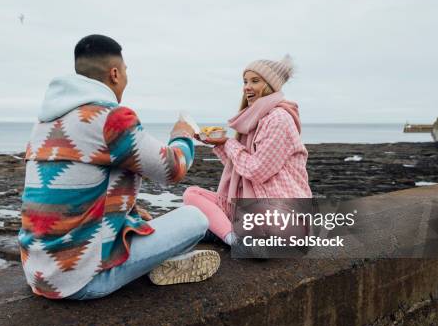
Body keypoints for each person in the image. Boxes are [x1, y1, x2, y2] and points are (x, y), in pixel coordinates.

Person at [19, 34, 220, 300]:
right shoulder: (109, 118)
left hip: (38, 273)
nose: (125, 78)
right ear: (115, 73)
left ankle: (151, 261)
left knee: (141, 220)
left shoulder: (44, 123)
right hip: (81, 281)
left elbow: (78, 184)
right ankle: (151, 266)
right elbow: (172, 169)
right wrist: (182, 135)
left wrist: (126, 210)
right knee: (195, 218)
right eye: (125, 72)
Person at [183, 56, 312, 245]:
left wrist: (228, 143)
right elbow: (241, 168)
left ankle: (225, 233)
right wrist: (218, 143)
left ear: (270, 85)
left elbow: (256, 171)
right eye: (245, 81)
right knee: (191, 194)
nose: (246, 87)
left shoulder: (278, 119)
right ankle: (231, 237)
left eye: (255, 81)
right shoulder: (255, 119)